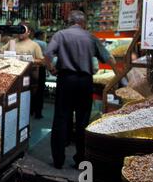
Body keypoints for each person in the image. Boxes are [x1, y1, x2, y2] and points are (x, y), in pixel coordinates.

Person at [45, 10, 118, 169]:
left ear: (69, 21)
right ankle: (81, 159)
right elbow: (109, 58)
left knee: (61, 118)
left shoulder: (60, 35)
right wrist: (120, 77)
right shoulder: (91, 37)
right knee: (83, 121)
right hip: (85, 82)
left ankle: (58, 160)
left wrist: (51, 68)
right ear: (83, 23)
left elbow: (48, 52)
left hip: (66, 80)